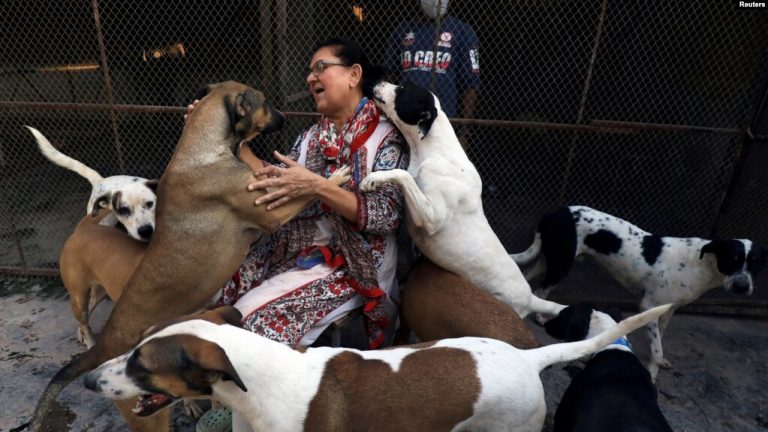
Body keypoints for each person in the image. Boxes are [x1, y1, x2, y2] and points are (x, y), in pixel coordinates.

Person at [387, 0, 480, 146]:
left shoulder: (463, 32)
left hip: (443, 124)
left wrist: (464, 133)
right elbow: (390, 77)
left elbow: (470, 85)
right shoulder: (403, 30)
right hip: (405, 122)